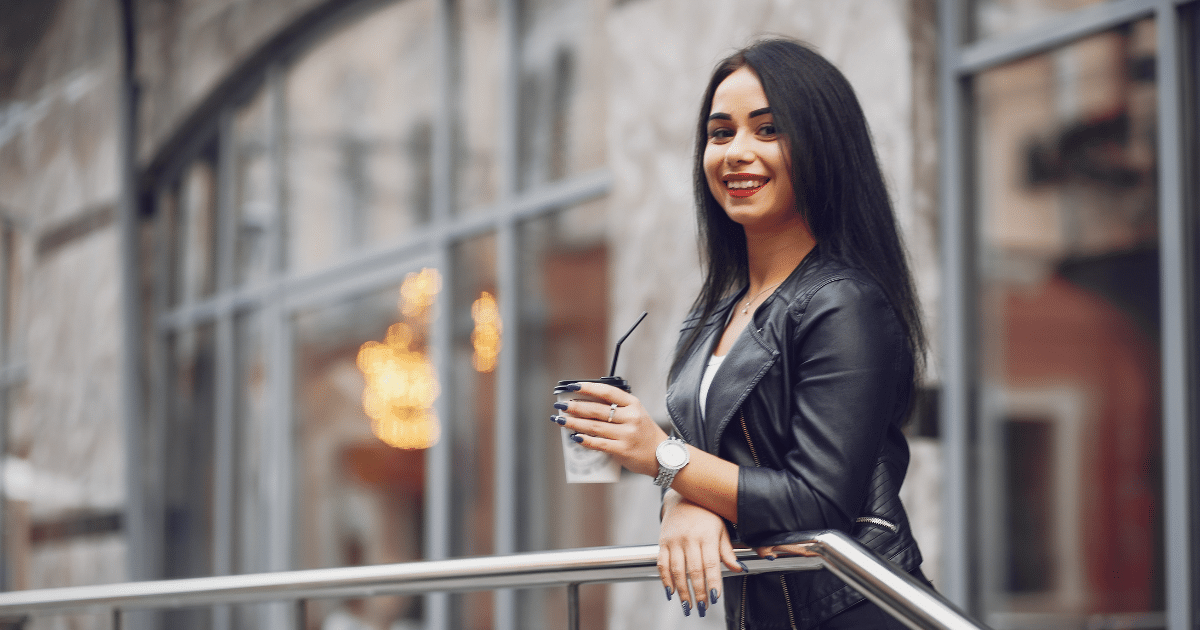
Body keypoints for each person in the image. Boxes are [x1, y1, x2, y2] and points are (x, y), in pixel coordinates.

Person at [551, 38, 928, 629]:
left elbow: (818, 501)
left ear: (822, 146)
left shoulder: (842, 303)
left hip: (856, 611)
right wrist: (681, 500)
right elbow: (721, 465)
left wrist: (662, 460)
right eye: (720, 133)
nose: (736, 153)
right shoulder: (714, 317)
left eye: (768, 129)